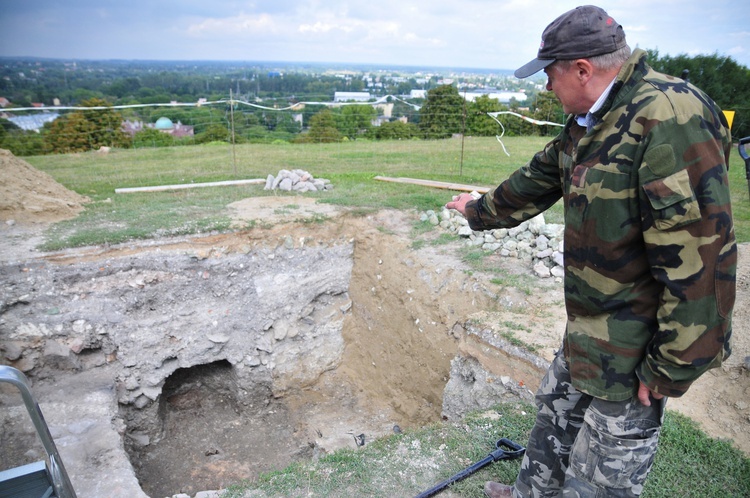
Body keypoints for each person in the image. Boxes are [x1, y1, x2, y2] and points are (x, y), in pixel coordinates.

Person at [445, 5, 736, 497]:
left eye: (550, 76)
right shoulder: (592, 120)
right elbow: (539, 178)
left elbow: (701, 256)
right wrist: (479, 210)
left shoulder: (669, 118)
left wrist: (672, 365)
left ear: (583, 69)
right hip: (589, 328)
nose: (545, 89)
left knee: (605, 470)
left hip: (635, 342)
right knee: (553, 424)